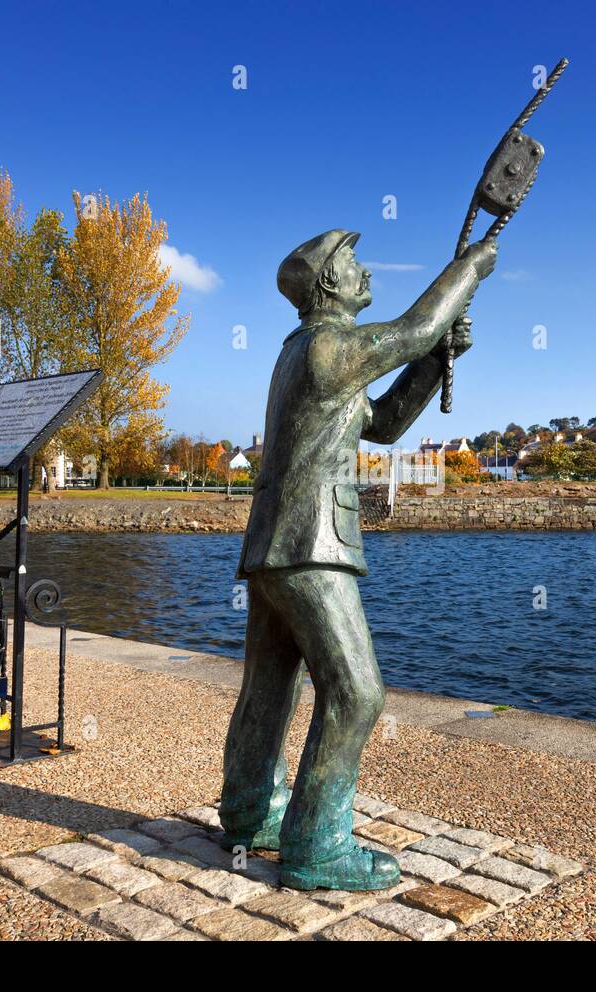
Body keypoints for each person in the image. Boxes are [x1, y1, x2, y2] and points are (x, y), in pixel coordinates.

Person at [220, 228, 497, 890]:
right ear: (326, 286)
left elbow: (386, 423)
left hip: (274, 549)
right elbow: (414, 326)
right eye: (351, 262)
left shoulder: (303, 352)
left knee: (271, 683)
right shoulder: (327, 345)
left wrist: (433, 363)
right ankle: (317, 847)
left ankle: (248, 813)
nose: (365, 269)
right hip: (311, 546)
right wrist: (470, 269)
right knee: (357, 692)